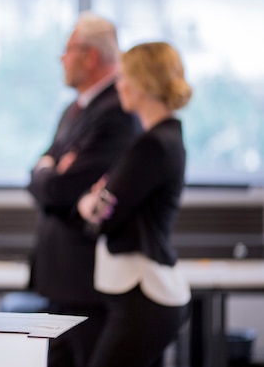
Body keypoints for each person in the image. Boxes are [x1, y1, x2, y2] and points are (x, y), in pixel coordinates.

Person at [27, 12, 141, 367]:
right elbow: (39, 178)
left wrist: (50, 174)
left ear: (89, 55)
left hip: (86, 279)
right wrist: (49, 174)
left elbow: (61, 188)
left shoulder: (118, 112)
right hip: (61, 278)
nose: (62, 58)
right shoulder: (73, 110)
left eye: (67, 49)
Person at [77, 41, 192, 367]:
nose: (119, 84)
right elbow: (111, 199)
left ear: (144, 83)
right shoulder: (163, 138)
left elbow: (103, 213)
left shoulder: (152, 145)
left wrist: (92, 201)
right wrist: (101, 195)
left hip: (146, 295)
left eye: (125, 76)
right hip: (143, 294)